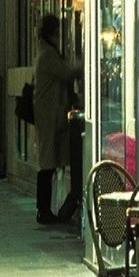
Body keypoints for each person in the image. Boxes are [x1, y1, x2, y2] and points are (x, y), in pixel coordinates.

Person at [33, 13, 80, 225]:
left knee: (49, 163)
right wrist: (84, 65)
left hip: (49, 115)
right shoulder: (49, 55)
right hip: (49, 116)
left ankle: (45, 209)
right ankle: (43, 210)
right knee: (47, 164)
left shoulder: (45, 52)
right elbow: (66, 72)